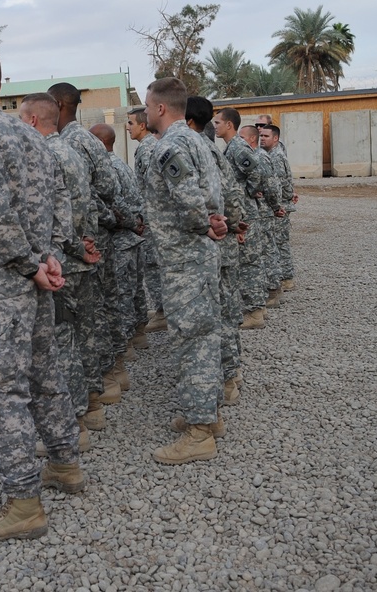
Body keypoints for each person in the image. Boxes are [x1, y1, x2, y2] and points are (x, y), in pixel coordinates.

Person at [0, 49, 84, 541]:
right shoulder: (31, 133)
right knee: (45, 371)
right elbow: (55, 201)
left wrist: (30, 265)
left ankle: (23, 504)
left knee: (1, 385)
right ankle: (66, 466)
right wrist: (50, 257)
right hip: (36, 277)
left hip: (5, 283)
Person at [141, 77, 225, 464]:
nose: (143, 113)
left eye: (146, 106)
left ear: (160, 108)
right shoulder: (197, 140)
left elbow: (190, 200)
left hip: (185, 260)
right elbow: (210, 194)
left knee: (193, 341)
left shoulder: (171, 145)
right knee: (204, 333)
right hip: (199, 257)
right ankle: (207, 414)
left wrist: (203, 224)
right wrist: (212, 223)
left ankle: (199, 432)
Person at [19, 92, 101, 453]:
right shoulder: (70, 150)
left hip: (60, 262)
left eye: (22, 119)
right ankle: (87, 410)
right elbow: (84, 205)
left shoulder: (44, 154)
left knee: (61, 343)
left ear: (33, 121)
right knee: (81, 336)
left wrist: (68, 250)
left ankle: (74, 423)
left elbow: (59, 219)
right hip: (75, 256)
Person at [48, 83, 125, 410]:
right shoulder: (87, 141)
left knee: (71, 327)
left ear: (56, 104)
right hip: (92, 237)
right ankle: (100, 385)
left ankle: (87, 398)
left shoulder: (58, 145)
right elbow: (109, 185)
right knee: (93, 317)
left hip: (71, 246)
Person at [187, 96, 246, 407]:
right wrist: (236, 225)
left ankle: (226, 380)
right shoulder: (210, 147)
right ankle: (231, 374)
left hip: (213, 242)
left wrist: (228, 228)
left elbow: (222, 194)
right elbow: (233, 193)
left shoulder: (196, 147)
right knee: (228, 310)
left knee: (219, 314)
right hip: (223, 237)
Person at [90, 123, 146, 377]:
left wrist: (128, 223)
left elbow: (113, 206)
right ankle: (136, 337)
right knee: (132, 291)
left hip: (121, 237)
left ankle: (122, 352)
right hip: (132, 235)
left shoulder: (107, 168)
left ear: (99, 143)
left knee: (120, 296)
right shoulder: (120, 163)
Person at [213, 112, 269, 329]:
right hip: (241, 211)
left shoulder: (238, 147)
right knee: (248, 260)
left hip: (245, 212)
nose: (215, 127)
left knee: (248, 261)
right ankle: (258, 307)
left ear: (229, 124)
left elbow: (258, 173)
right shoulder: (231, 147)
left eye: (218, 123)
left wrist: (248, 193)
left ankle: (255, 312)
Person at [128, 107, 166, 334]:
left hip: (152, 217)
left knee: (152, 265)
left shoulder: (147, 149)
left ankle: (163, 312)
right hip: (150, 215)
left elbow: (151, 188)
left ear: (142, 125)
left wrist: (143, 217)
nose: (127, 127)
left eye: (131, 123)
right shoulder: (146, 147)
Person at [260, 124, 297, 291]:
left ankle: (286, 278)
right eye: (261, 135)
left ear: (275, 138)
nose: (262, 139)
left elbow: (281, 183)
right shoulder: (271, 154)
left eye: (266, 136)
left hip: (280, 206)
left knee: (280, 243)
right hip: (280, 205)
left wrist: (283, 201)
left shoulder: (275, 156)